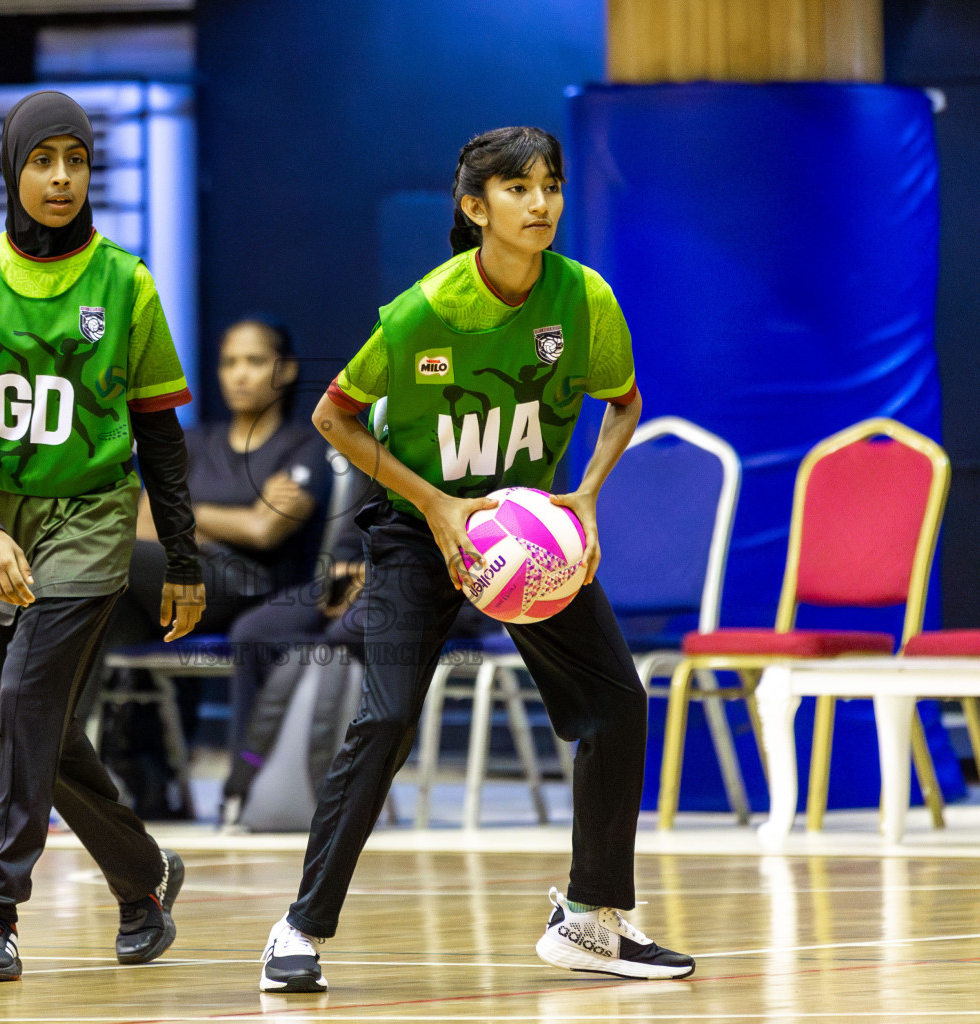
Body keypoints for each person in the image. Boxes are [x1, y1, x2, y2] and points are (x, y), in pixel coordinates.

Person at [256, 126, 695, 993]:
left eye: (553, 187)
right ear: (473, 206)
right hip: (419, 532)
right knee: (383, 721)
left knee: (615, 703)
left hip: (528, 536)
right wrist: (438, 504)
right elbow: (334, 418)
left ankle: (592, 920)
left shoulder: (585, 300)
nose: (541, 205)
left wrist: (588, 495)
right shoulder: (423, 311)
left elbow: (624, 402)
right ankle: (296, 929)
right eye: (520, 189)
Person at [0, 90, 200, 981]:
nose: (59, 179)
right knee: (34, 723)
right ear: (12, 169)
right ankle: (142, 873)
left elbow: (160, 431)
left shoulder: (126, 281)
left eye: (75, 161)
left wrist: (185, 559)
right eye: (42, 161)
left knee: (34, 705)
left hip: (91, 516)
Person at [105, 317, 330, 652]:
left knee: (105, 552)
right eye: (229, 363)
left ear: (286, 370)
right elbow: (145, 523)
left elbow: (263, 531)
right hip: (173, 577)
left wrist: (179, 518)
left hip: (248, 586)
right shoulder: (193, 442)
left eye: (255, 361)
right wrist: (230, 522)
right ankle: (109, 704)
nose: (240, 374)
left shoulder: (305, 445)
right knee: (107, 603)